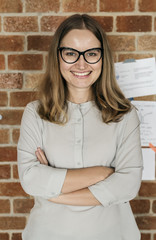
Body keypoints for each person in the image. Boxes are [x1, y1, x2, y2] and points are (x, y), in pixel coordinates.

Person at [17, 14, 143, 240]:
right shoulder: (35, 113)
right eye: (71, 53)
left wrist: (53, 191)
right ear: (58, 57)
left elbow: (127, 186)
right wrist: (102, 174)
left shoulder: (125, 116)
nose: (81, 64)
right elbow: (30, 179)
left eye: (92, 54)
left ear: (103, 58)